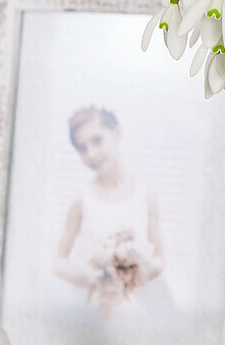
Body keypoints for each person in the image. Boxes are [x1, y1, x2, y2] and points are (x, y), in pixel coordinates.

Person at [55, 106, 164, 317]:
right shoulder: (81, 198)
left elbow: (159, 260)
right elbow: (59, 262)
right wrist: (95, 278)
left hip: (133, 310)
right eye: (82, 148)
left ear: (116, 133)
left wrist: (135, 267)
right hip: (92, 310)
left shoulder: (146, 194)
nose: (92, 154)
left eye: (97, 140)